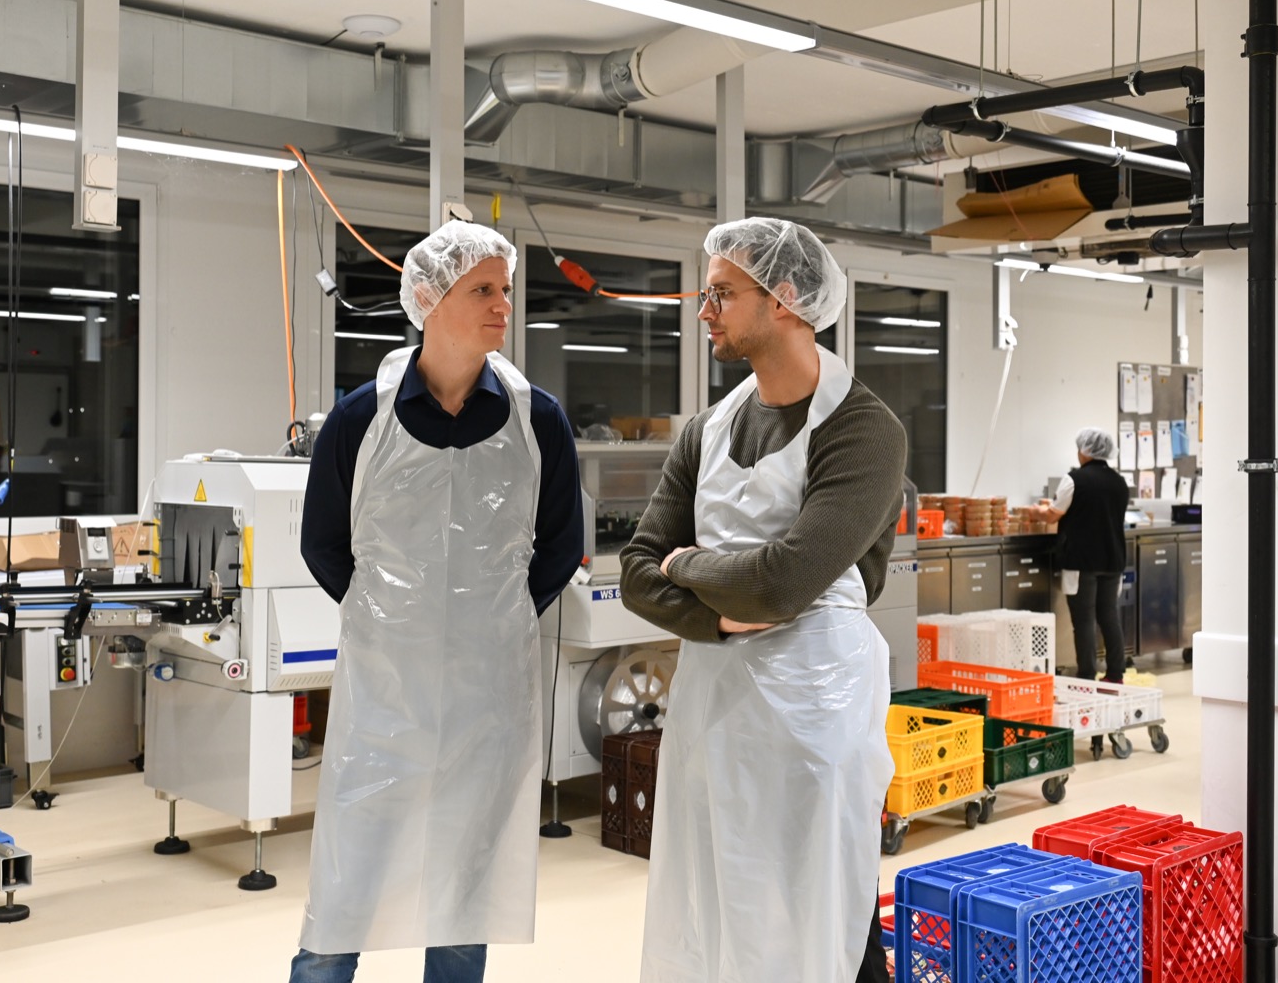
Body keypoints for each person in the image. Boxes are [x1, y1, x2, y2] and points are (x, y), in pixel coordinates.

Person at [292, 220, 584, 983]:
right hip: (385, 691)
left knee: (466, 883)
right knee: (348, 877)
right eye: (481, 289)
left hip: (491, 691)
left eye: (505, 289)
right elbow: (323, 543)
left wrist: (496, 618)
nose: (502, 305)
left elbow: (560, 544)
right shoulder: (361, 417)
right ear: (428, 299)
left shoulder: (536, 417)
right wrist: (391, 621)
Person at [620, 217, 908, 983]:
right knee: (722, 905)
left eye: (721, 293)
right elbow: (638, 572)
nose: (704, 310)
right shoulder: (707, 430)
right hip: (716, 706)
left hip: (817, 709)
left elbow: (785, 581)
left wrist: (687, 562)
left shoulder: (863, 430)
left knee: (828, 913)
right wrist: (719, 614)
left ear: (783, 298)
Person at [1040, 427, 1131, 682]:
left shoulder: (1074, 479)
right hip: (1113, 559)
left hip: (1082, 561)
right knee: (1109, 616)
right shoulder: (1119, 482)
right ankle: (1115, 674)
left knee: (1084, 620)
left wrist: (1035, 513)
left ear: (1085, 451)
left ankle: (1086, 675)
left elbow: (1053, 515)